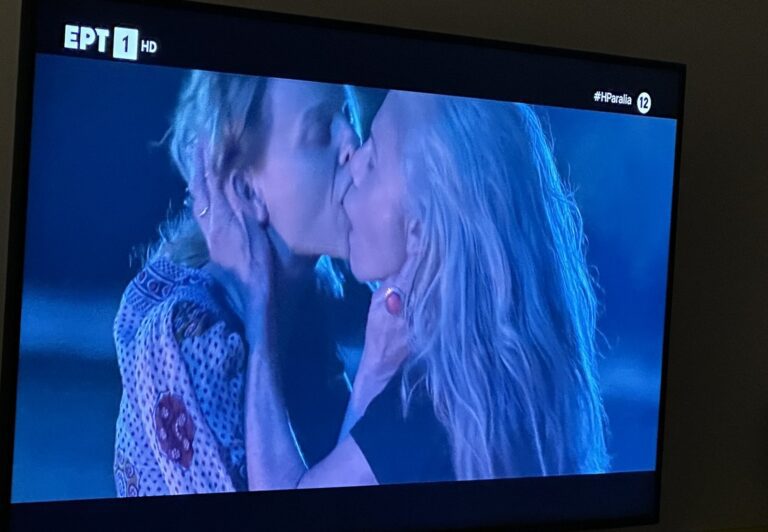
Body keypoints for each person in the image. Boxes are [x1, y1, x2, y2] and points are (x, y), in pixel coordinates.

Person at [200, 89, 609, 489]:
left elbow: (295, 511)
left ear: (419, 230)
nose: (354, 156)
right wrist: (374, 370)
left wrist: (258, 309)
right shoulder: (483, 367)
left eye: (374, 158)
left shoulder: (433, 398)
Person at [113, 70, 363, 496]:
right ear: (248, 191)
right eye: (321, 130)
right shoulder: (190, 338)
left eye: (349, 118)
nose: (354, 142)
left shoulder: (307, 308)